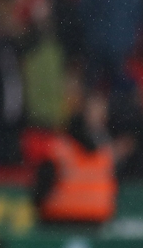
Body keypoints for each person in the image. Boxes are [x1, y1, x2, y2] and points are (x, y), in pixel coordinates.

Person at [34, 90, 132, 225]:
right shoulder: (70, 142)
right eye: (94, 109)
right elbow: (45, 179)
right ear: (84, 111)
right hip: (64, 219)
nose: (99, 114)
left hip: (87, 217)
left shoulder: (104, 141)